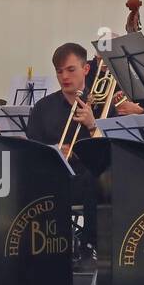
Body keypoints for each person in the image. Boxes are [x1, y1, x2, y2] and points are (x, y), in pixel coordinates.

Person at [24, 43, 102, 256]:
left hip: (90, 180)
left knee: (95, 178)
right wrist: (55, 151)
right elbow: (31, 150)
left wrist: (93, 125)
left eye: (70, 69)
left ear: (86, 69)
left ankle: (89, 246)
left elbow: (112, 151)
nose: (64, 77)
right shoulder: (43, 107)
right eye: (59, 71)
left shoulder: (102, 104)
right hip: (55, 177)